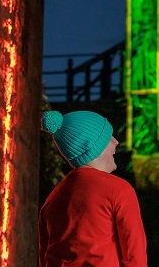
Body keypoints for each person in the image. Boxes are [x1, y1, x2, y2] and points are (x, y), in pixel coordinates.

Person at [38, 110, 147, 267]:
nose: (116, 142)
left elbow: (45, 259)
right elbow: (135, 257)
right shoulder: (119, 190)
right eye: (108, 138)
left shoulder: (51, 201)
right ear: (94, 146)